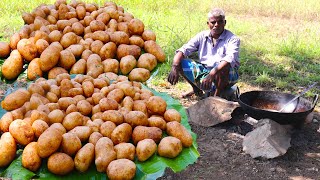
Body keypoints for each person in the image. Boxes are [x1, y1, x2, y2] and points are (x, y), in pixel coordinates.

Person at [167, 8, 240, 99]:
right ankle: (196, 89)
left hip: (227, 74)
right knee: (179, 62)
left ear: (224, 22)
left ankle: (215, 98)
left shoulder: (232, 39)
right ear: (208, 24)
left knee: (223, 67)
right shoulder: (202, 36)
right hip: (206, 71)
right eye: (213, 22)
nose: (216, 25)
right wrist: (175, 66)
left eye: (220, 22)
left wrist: (212, 74)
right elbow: (183, 50)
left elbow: (229, 59)